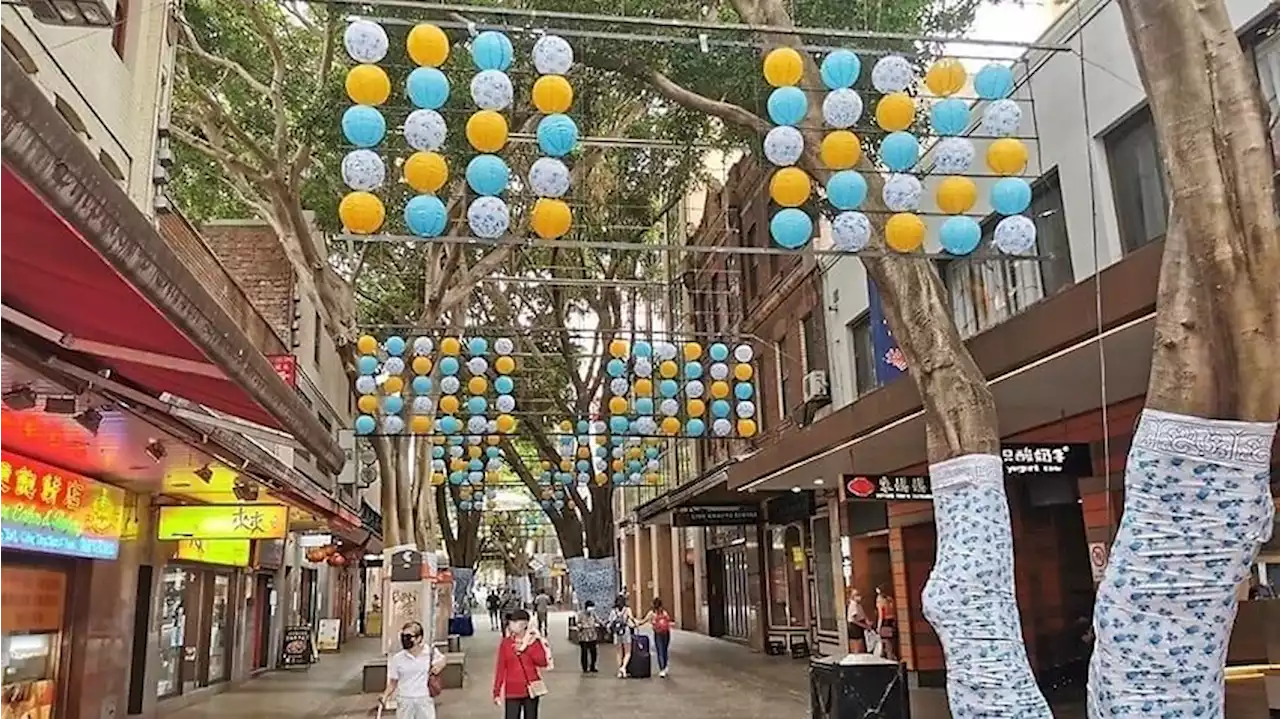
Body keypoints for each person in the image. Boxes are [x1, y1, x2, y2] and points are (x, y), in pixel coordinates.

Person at [383, 621, 446, 719]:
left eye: (408, 636)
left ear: (418, 638)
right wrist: (384, 697)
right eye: (403, 636)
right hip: (405, 700)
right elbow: (393, 682)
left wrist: (439, 666)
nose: (404, 639)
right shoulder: (398, 658)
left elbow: (443, 659)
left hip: (424, 699)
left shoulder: (429, 653)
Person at [492, 609, 548, 719]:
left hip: (530, 690)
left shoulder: (534, 642)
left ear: (524, 624)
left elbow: (543, 662)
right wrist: (496, 691)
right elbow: (500, 668)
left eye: (514, 622)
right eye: (511, 622)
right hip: (512, 691)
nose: (511, 624)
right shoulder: (506, 643)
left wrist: (526, 648)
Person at [635, 597, 674, 677]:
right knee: (665, 650)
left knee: (660, 651)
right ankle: (665, 666)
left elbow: (643, 621)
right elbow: (668, 620)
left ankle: (662, 669)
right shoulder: (664, 612)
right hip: (666, 633)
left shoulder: (652, 613)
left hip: (658, 634)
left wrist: (637, 623)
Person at [606, 595, 635, 678]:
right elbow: (632, 619)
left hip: (616, 633)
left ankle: (619, 671)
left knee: (619, 653)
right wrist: (636, 623)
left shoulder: (613, 611)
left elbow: (610, 623)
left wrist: (609, 630)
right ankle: (623, 667)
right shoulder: (627, 610)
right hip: (625, 631)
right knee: (628, 652)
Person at [575, 600, 601, 673]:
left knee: (594, 652)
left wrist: (600, 624)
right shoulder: (581, 614)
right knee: (584, 652)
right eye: (590, 607)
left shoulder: (593, 614)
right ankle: (585, 668)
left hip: (592, 636)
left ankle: (592, 666)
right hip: (583, 636)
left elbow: (598, 620)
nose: (592, 609)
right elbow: (578, 623)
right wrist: (581, 626)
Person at [846, 588, 873, 654]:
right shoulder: (853, 605)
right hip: (854, 628)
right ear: (852, 597)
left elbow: (863, 615)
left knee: (861, 645)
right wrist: (864, 626)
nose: (859, 597)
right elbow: (854, 620)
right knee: (857, 647)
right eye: (856, 595)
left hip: (859, 626)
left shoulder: (859, 605)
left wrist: (868, 622)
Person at [875, 586, 898, 661]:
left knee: (887, 646)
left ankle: (890, 661)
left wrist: (878, 627)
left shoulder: (880, 601)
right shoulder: (890, 600)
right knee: (892, 644)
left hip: (885, 623)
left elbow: (881, 616)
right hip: (892, 622)